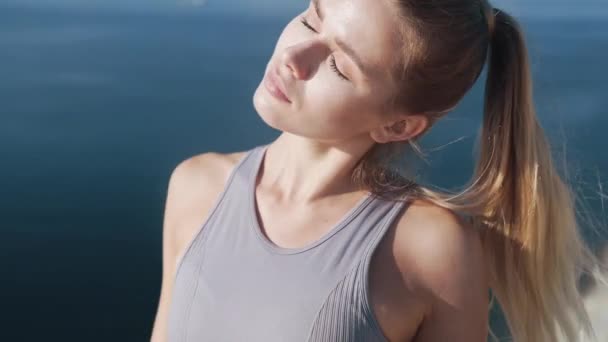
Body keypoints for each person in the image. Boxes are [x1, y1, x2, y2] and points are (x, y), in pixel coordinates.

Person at [150, 0, 599, 341]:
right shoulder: (195, 184)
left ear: (397, 125)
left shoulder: (429, 249)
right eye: (312, 18)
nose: (295, 55)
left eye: (340, 67)